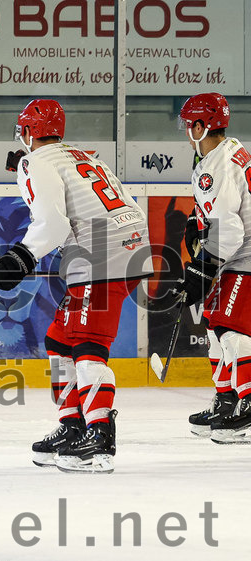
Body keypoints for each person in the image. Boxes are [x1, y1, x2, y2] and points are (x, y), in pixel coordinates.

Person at [0, 99, 151, 473]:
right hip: (126, 246)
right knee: (59, 339)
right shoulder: (83, 155)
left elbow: (53, 224)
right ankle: (72, 424)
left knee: (86, 342)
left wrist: (20, 258)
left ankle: (99, 435)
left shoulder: (36, 161)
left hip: (101, 255)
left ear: (28, 132)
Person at [175, 93, 251, 444]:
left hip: (244, 254)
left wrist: (202, 267)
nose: (185, 129)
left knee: (230, 327)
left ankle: (248, 403)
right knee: (214, 323)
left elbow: (231, 229)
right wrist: (197, 219)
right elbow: (222, 209)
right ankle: (226, 400)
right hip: (236, 253)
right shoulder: (226, 150)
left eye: (189, 123)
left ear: (202, 125)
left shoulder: (217, 165)